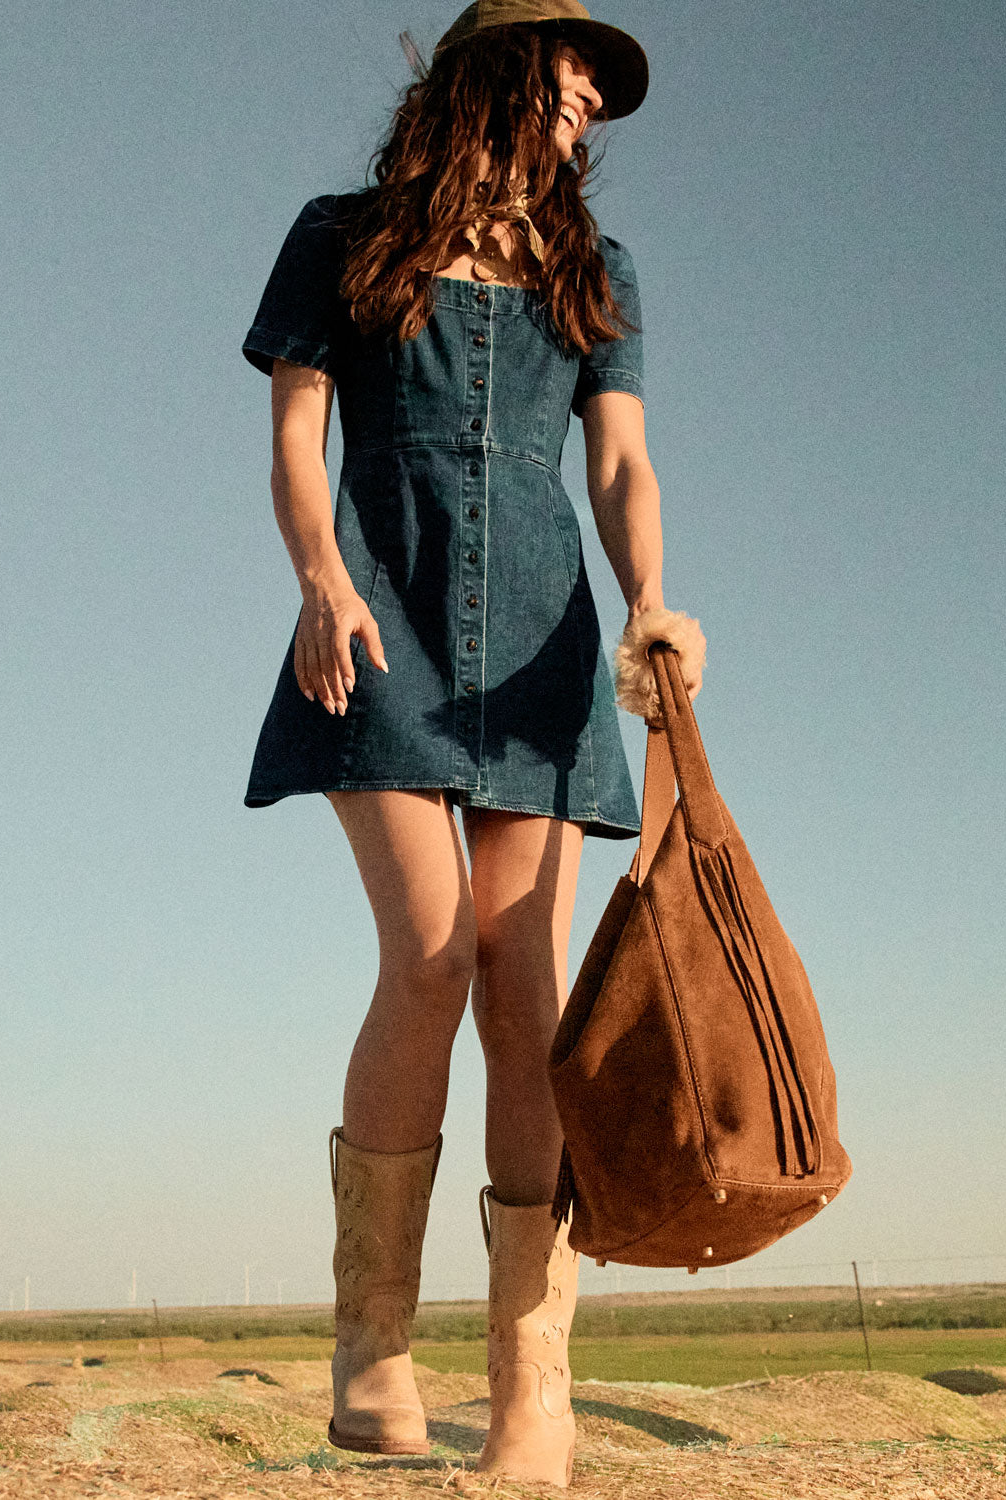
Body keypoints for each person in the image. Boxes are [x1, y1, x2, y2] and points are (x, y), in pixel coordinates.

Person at [239, 1, 705, 1486]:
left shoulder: (594, 269)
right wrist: (320, 581)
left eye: (595, 103)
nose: (585, 112)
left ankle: (530, 1385)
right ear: (489, 79)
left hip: (545, 636)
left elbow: (619, 460)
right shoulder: (343, 235)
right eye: (566, 83)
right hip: (380, 615)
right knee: (432, 955)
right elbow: (297, 434)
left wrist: (652, 598)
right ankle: (374, 1342)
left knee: (526, 993)